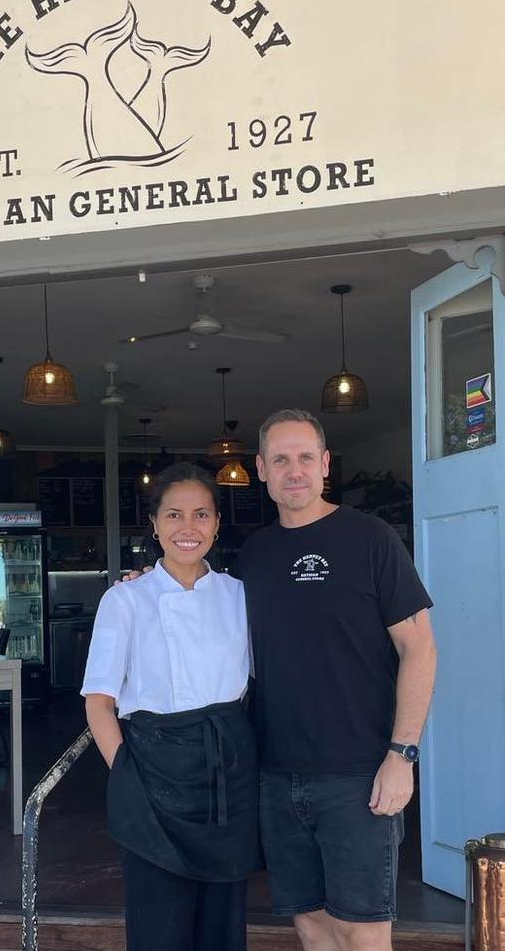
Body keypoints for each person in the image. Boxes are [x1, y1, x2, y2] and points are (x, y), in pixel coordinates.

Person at [239, 408, 436, 951]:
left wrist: (403, 754)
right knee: (311, 924)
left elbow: (419, 647)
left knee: (363, 930)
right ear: (261, 468)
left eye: (306, 457)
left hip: (358, 774)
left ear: (325, 464)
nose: (294, 470)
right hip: (277, 775)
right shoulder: (253, 554)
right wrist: (141, 586)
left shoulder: (369, 539)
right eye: (280, 459)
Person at [81, 462, 261, 951]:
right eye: (175, 515)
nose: (189, 528)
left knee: (223, 925)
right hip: (153, 771)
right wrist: (129, 775)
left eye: (202, 515)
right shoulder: (126, 600)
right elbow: (99, 701)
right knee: (159, 924)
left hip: (227, 769)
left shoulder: (241, 596)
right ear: (156, 524)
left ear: (217, 524)